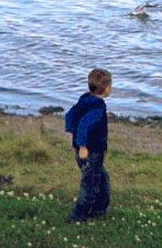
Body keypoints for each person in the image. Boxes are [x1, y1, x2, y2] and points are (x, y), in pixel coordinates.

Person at [64, 68, 112, 222]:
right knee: (89, 184)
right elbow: (84, 125)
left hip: (82, 150)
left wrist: (72, 131)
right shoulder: (98, 106)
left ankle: (99, 209)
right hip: (91, 151)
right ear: (106, 88)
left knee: (102, 179)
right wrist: (83, 145)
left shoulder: (84, 99)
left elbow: (70, 115)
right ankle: (79, 216)